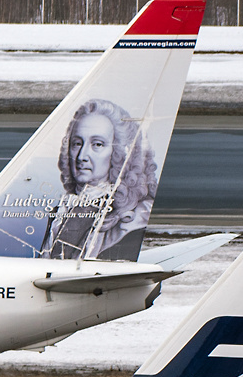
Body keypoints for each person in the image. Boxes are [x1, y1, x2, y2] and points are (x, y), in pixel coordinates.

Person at [42, 98, 160, 261]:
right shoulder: (63, 210)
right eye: (77, 143)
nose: (82, 156)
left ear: (120, 153)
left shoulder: (132, 217)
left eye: (97, 144)